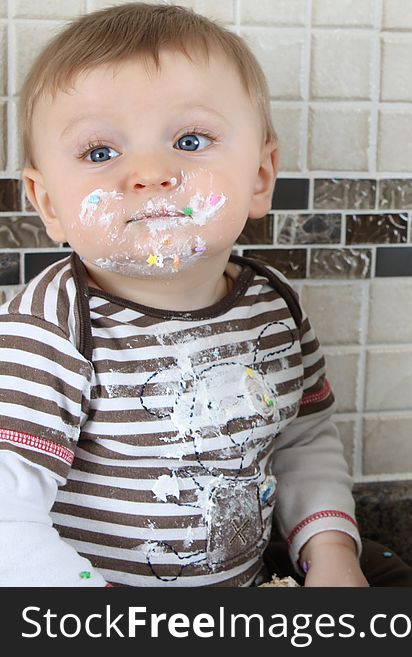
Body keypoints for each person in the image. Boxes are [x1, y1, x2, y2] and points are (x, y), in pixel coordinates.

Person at [0, 3, 368, 587]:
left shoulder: (273, 310)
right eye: (100, 153)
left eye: (191, 140)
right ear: (48, 204)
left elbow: (303, 439)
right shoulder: (49, 330)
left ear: (259, 178)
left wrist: (331, 553)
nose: (149, 173)